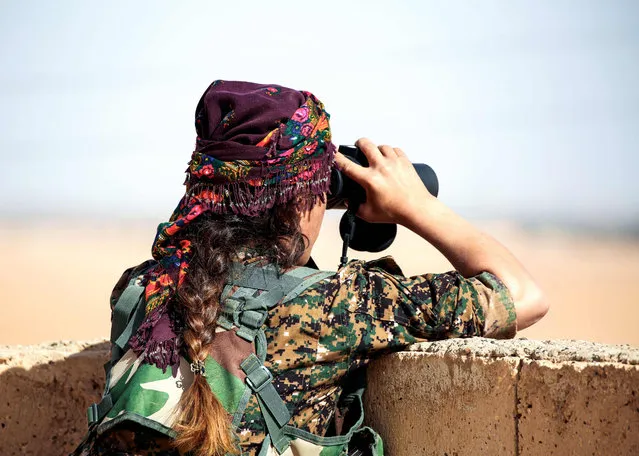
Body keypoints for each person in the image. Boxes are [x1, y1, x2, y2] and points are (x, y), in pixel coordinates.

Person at [72, 80, 548, 456]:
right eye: (323, 184)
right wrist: (414, 206)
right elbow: (523, 294)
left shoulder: (141, 287)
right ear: (301, 198)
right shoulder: (340, 305)